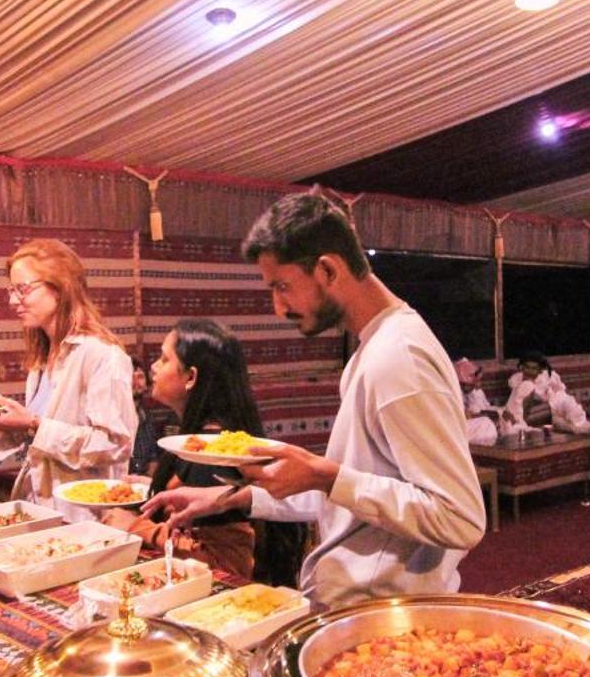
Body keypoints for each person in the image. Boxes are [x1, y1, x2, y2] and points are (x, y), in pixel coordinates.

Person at [145, 192, 484, 607]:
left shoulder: (399, 357)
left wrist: (327, 476)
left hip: (382, 613)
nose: (277, 307)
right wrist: (240, 498)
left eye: (282, 287)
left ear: (327, 269)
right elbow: (361, 492)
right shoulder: (374, 347)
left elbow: (460, 517)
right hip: (359, 602)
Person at [105, 318, 304, 585]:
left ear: (191, 377)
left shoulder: (210, 454)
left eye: (164, 360)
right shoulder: (206, 439)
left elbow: (226, 565)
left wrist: (133, 527)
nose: (153, 367)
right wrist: (155, 486)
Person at [0, 239, 135, 517]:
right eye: (11, 290)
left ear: (61, 287)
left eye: (23, 289)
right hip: (43, 507)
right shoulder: (43, 357)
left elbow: (115, 444)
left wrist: (33, 424)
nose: (12, 300)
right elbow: (46, 439)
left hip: (86, 515)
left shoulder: (102, 355)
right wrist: (8, 425)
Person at [505, 352, 590, 435]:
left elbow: (562, 390)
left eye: (534, 368)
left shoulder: (547, 376)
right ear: (522, 367)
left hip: (554, 402)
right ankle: (578, 426)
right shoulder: (516, 381)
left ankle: (582, 424)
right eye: (527, 367)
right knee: (560, 421)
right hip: (541, 410)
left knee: (568, 401)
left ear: (540, 371)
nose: (529, 371)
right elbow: (518, 403)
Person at [455, 357, 501, 447]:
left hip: (461, 426)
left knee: (487, 421)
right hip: (455, 430)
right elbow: (461, 417)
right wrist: (478, 415)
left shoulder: (463, 392)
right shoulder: (454, 393)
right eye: (471, 385)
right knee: (485, 423)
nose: (474, 386)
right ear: (463, 383)